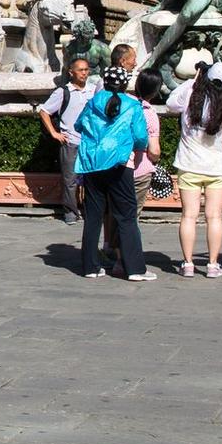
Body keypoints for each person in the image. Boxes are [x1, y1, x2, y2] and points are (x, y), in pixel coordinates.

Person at [75, 62, 157, 281]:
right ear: (125, 83)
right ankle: (135, 269)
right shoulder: (132, 105)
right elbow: (141, 137)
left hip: (93, 163)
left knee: (93, 216)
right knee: (126, 216)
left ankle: (90, 267)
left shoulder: (93, 102)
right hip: (120, 164)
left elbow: (78, 125)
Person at [164, 61, 222, 278]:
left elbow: (170, 103)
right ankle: (212, 265)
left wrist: (193, 81)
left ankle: (187, 263)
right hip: (216, 167)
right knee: (214, 217)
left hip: (189, 164)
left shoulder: (190, 96)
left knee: (188, 216)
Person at [39, 56, 98, 225]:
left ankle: (90, 210)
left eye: (86, 70)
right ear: (71, 72)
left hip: (90, 143)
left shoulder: (94, 91)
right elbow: (44, 111)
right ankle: (71, 212)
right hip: (70, 141)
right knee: (70, 180)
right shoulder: (63, 92)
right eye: (81, 70)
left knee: (92, 180)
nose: (84, 73)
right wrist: (54, 133)